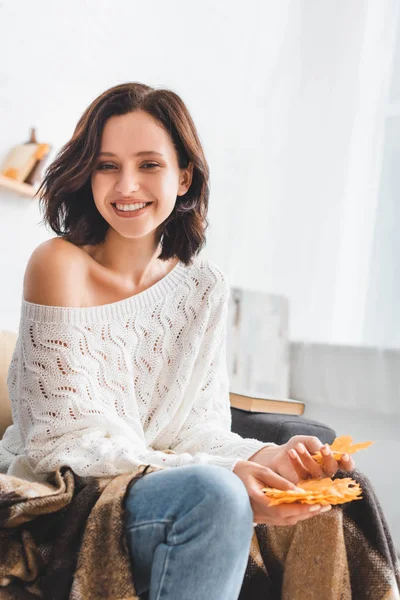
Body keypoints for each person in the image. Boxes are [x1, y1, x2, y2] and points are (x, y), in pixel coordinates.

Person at [0, 82, 356, 600]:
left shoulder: (203, 286)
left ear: (184, 176)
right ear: (86, 173)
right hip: (62, 499)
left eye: (149, 164)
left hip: (164, 489)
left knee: (341, 495)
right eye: (106, 165)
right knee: (218, 493)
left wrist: (270, 456)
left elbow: (195, 429)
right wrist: (229, 472)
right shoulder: (59, 264)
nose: (126, 185)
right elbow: (63, 443)